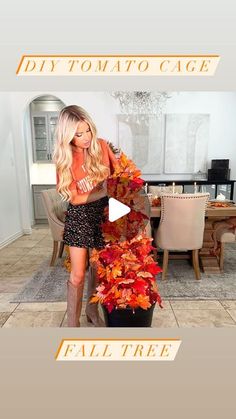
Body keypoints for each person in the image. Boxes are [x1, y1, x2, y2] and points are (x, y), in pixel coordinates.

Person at [53, 105, 118, 327]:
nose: (86, 138)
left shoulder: (101, 146)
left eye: (88, 130)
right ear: (68, 135)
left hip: (104, 214)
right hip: (79, 217)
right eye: (78, 134)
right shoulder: (65, 158)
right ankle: (73, 323)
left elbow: (119, 177)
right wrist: (102, 191)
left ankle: (92, 311)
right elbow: (75, 199)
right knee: (78, 274)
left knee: (98, 270)